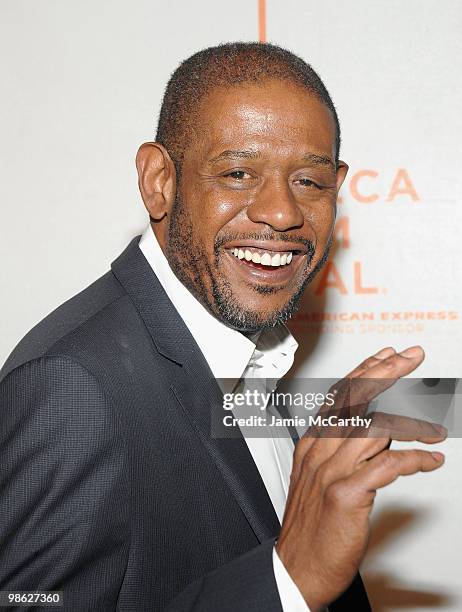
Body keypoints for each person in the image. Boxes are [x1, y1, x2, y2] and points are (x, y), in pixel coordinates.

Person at [0, 42, 446, 611]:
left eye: (309, 181)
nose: (282, 212)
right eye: (238, 173)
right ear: (159, 180)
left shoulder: (246, 352)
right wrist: (288, 582)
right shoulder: (71, 389)